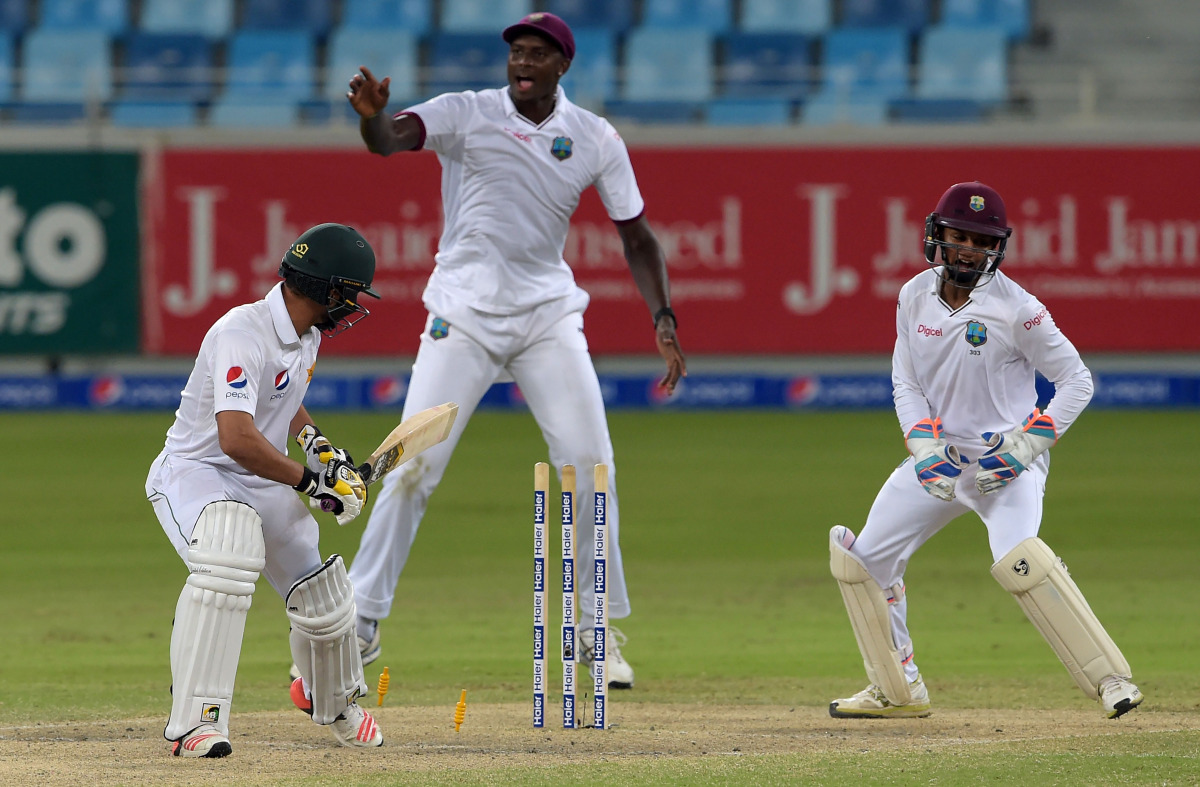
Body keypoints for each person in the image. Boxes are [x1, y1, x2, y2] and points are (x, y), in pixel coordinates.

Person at [335, 11, 687, 689]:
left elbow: (637, 237)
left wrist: (663, 316)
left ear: (563, 65)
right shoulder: (466, 113)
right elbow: (391, 140)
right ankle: (364, 614)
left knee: (590, 466)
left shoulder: (593, 137)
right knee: (410, 462)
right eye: (515, 53)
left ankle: (594, 628)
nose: (522, 62)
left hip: (545, 317)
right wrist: (372, 119)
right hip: (462, 313)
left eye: (537, 53)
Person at [827, 181, 1143, 720]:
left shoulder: (1018, 309)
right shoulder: (912, 296)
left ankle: (1110, 680)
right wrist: (923, 448)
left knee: (1022, 560)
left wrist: (1025, 447)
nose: (970, 249)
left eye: (982, 240)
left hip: (1006, 466)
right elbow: (906, 383)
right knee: (863, 564)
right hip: (943, 461)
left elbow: (1077, 382)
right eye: (960, 236)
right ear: (936, 235)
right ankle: (897, 688)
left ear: (998, 246)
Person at [146, 223, 388, 757]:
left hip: (256, 475)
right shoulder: (242, 333)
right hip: (198, 471)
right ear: (328, 290)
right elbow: (235, 438)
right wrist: (308, 480)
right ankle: (196, 723)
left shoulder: (307, 333)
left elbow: (283, 398)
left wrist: (317, 446)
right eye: (349, 292)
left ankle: (331, 698)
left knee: (322, 595)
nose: (352, 304)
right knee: (228, 554)